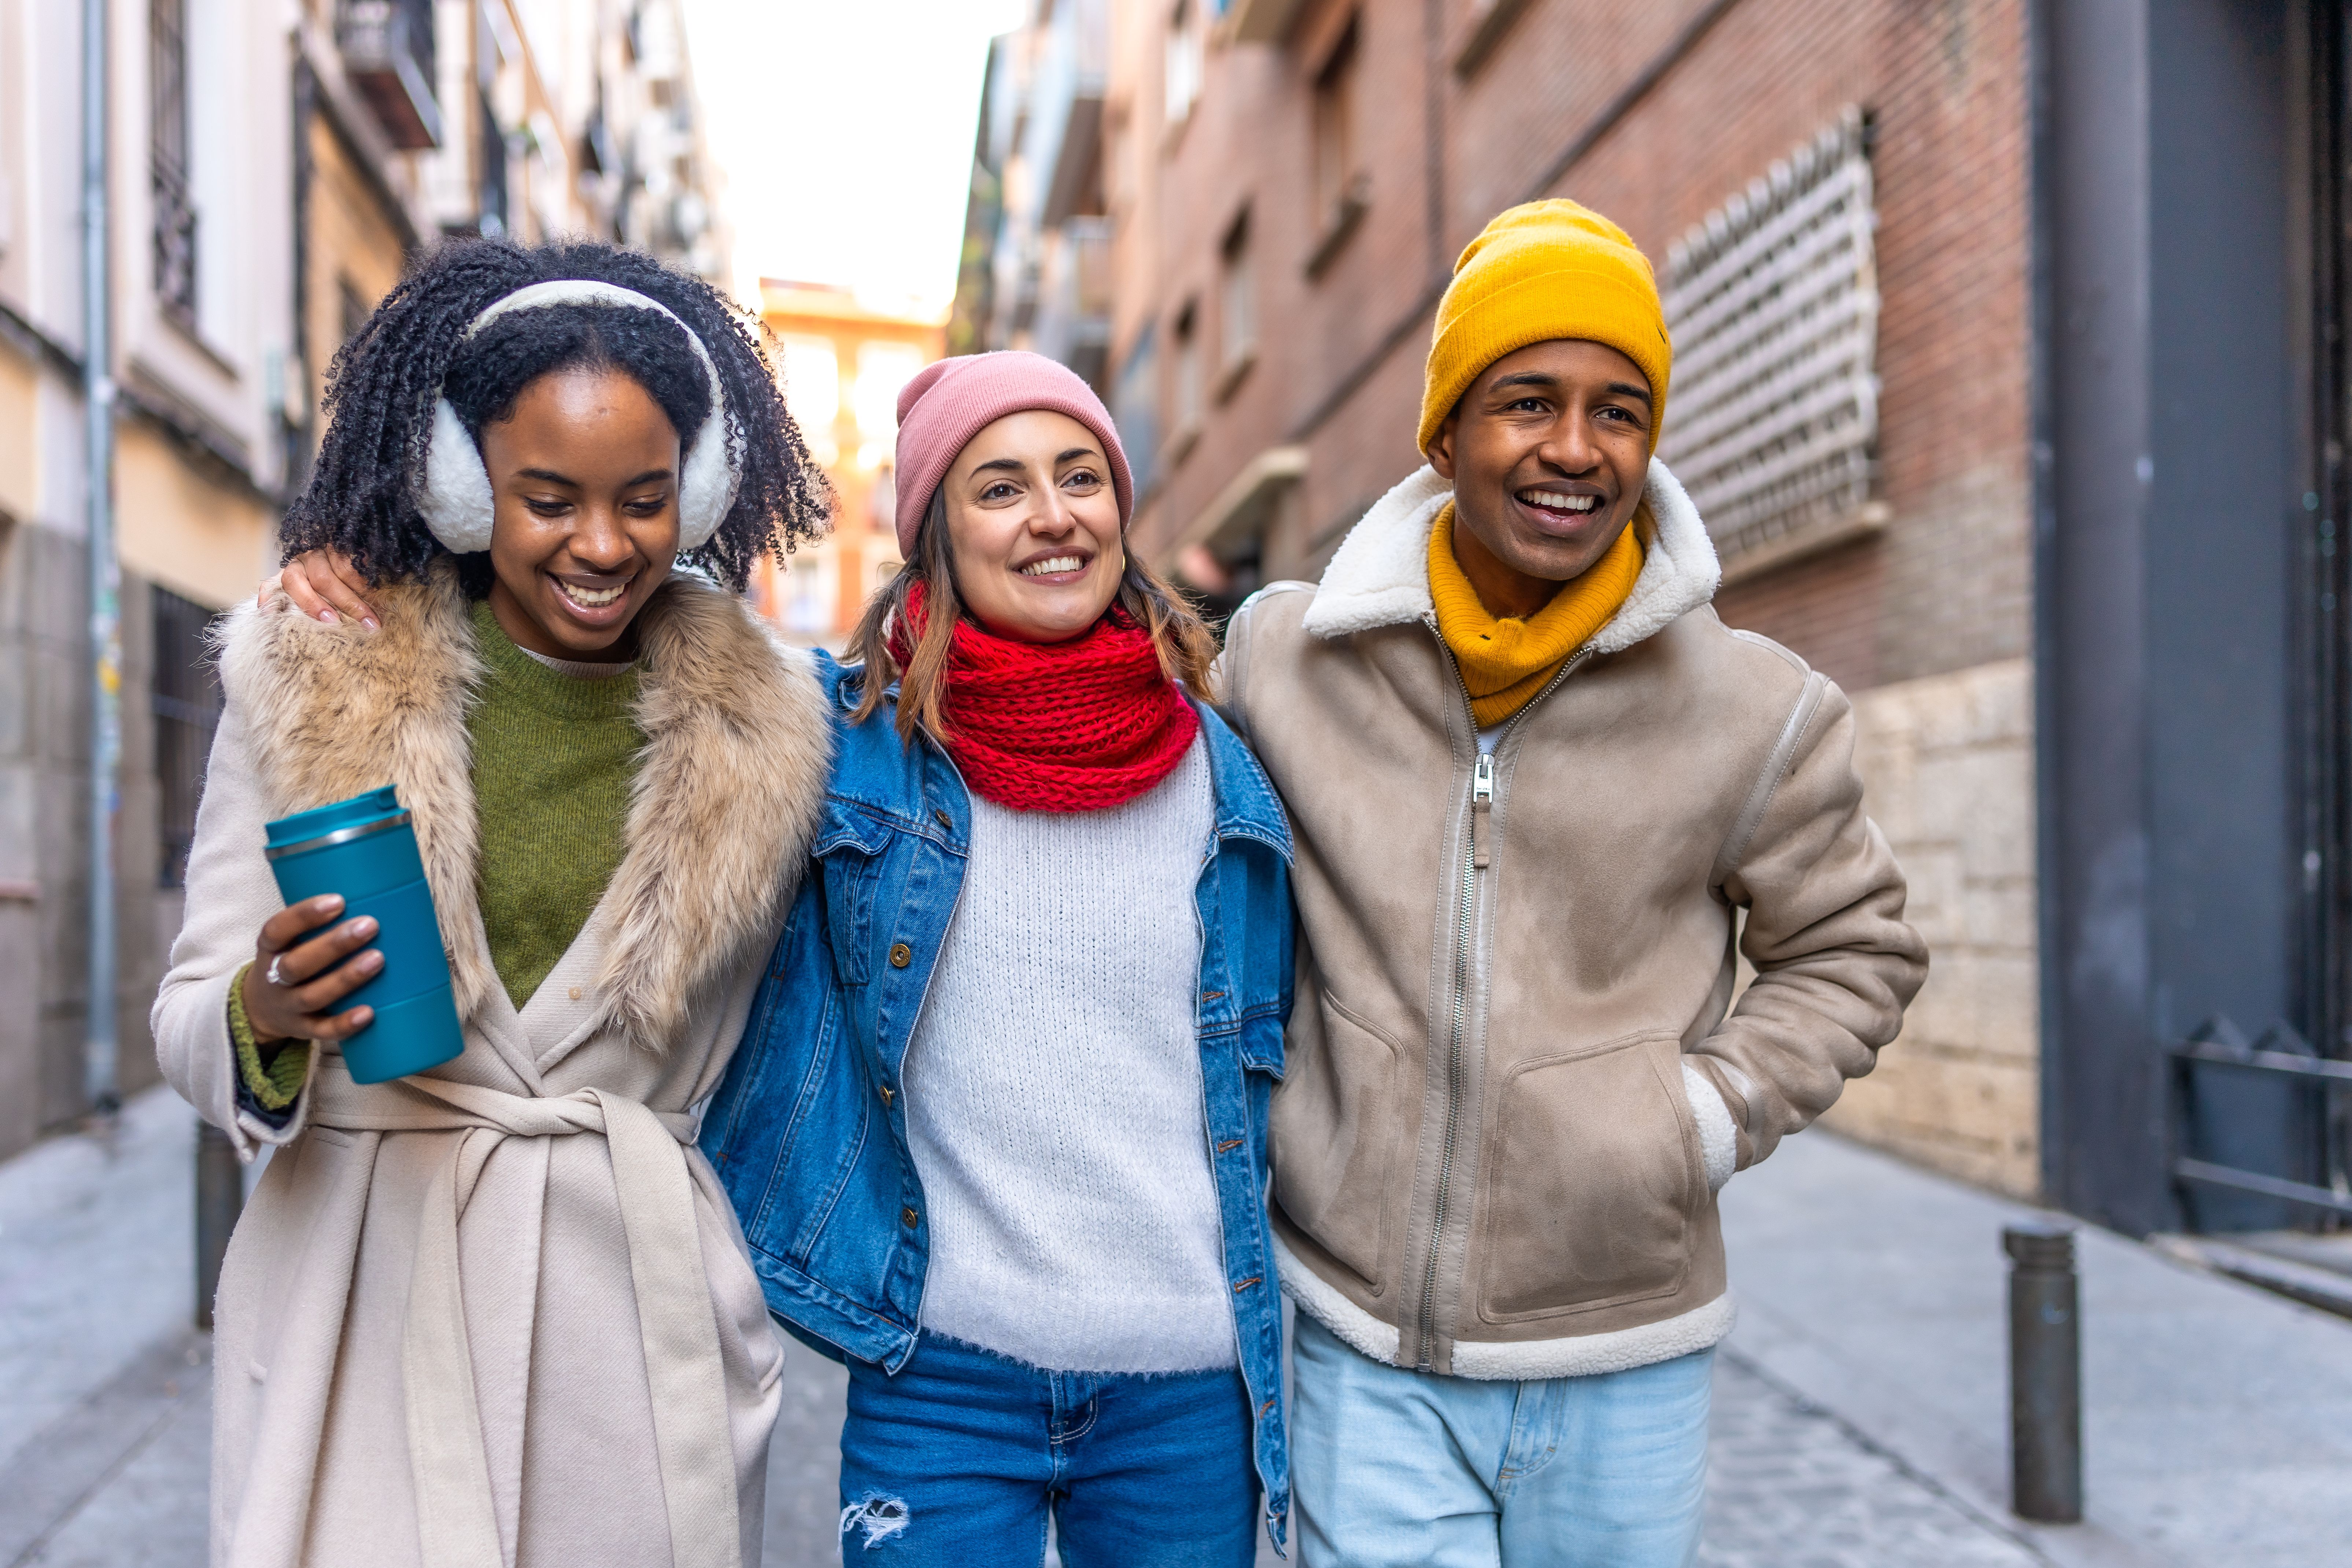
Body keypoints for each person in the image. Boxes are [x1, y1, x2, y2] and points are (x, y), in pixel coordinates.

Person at [1215, 199, 1930, 1566]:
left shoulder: (1756, 708)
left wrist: (1696, 1118)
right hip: (1368, 1345)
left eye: (1619, 410)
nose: (1572, 450)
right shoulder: (1284, 659)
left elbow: (1854, 952)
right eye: (1524, 400)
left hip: (1628, 1351)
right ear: (1444, 433)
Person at [155, 237, 835, 1568]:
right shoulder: (315, 678)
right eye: (546, 497)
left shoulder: (782, 727)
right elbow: (190, 1020)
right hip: (360, 1301)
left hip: (631, 1324)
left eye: (643, 499)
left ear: (696, 494)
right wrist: (267, 1008)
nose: (600, 543)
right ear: (463, 488)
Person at [695, 351, 1293, 1565]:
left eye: (1080, 477)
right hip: (941, 1377)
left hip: (1184, 1375)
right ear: (936, 534)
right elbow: (623, 653)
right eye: (999, 487)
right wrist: (373, 581)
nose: (1052, 515)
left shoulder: (1227, 762)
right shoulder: (844, 744)